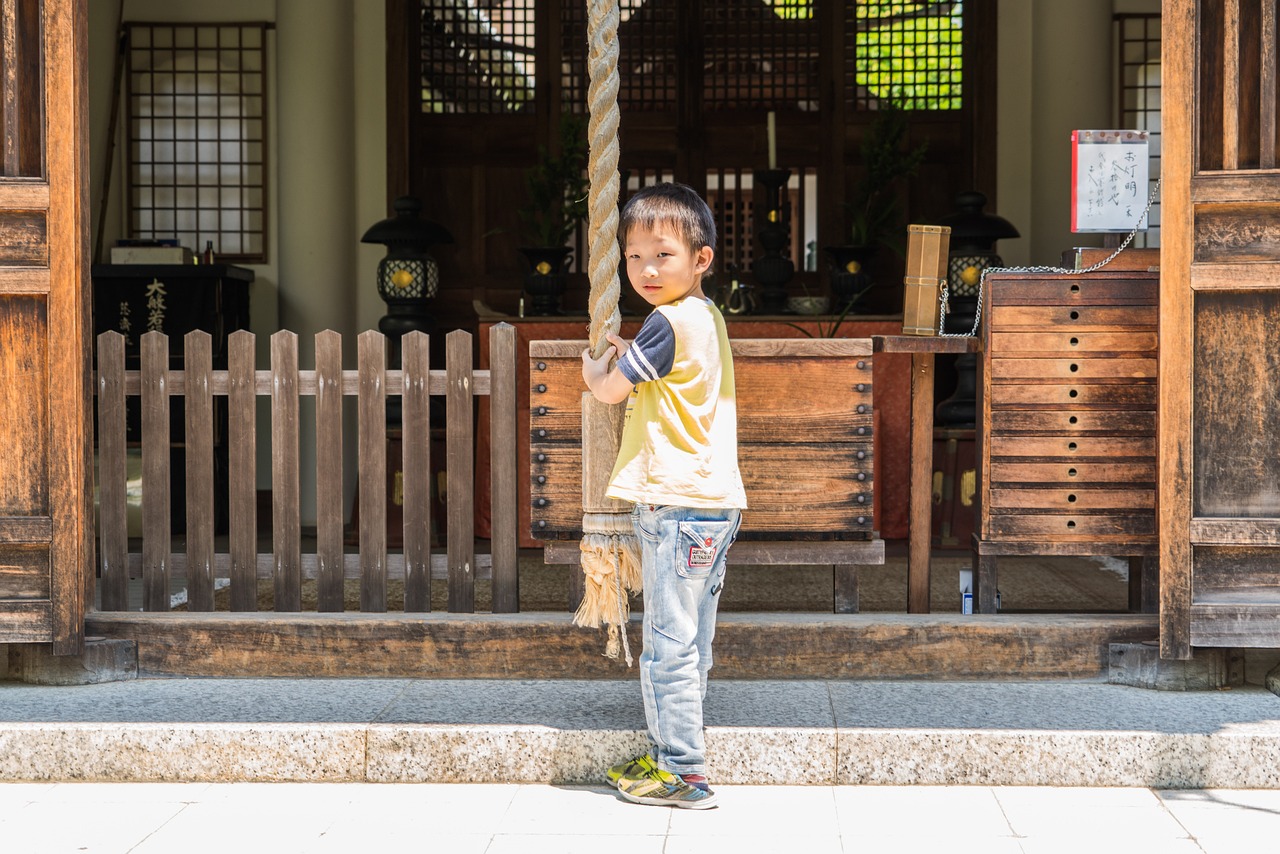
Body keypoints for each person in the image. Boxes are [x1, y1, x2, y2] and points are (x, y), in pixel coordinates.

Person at [582, 182, 747, 809]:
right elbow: (658, 377)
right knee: (692, 640)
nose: (646, 270)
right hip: (712, 504)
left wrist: (593, 369)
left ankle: (683, 770)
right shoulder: (704, 318)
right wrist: (630, 359)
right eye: (634, 258)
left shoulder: (665, 322)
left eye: (663, 255)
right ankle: (677, 757)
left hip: (675, 507)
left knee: (667, 646)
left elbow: (607, 390)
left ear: (700, 260)